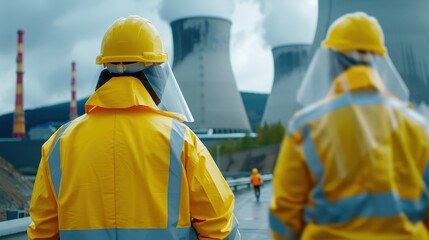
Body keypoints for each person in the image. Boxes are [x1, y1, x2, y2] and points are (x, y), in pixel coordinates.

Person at [27, 15, 240, 240]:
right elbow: (220, 227)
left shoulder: (58, 144)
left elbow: (42, 232)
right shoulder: (181, 140)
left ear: (104, 71)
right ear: (156, 74)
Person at [269, 12, 429, 240]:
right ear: (379, 60)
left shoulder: (307, 126)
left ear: (331, 60)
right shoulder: (416, 126)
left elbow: (284, 214)